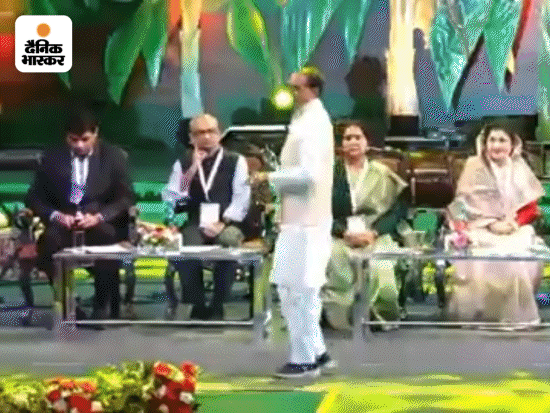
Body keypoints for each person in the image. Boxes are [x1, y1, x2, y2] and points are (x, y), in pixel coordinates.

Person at [253, 66, 336, 379]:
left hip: (307, 221)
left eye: (296, 88)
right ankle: (317, 352)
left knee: (296, 289)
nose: (291, 93)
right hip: (299, 217)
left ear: (312, 89)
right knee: (300, 290)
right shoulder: (305, 119)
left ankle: (303, 359)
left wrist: (268, 178)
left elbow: (308, 175)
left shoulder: (315, 122)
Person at [26, 107, 135, 319]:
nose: (79, 145)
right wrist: (57, 215)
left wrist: (98, 217)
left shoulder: (113, 157)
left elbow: (126, 198)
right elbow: (34, 198)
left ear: (95, 134)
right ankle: (68, 303)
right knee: (49, 243)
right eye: (73, 140)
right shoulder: (52, 157)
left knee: (107, 240)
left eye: (85, 139)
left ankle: (102, 304)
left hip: (99, 221)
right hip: (64, 221)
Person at [447, 122, 545, 330]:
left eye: (502, 140)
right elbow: (460, 205)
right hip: (480, 228)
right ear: (484, 143)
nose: (496, 145)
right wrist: (490, 224)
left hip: (513, 228)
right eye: (492, 140)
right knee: (490, 253)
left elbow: (531, 208)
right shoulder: (473, 166)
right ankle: (485, 315)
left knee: (518, 254)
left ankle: (515, 316)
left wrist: (513, 224)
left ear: (512, 144)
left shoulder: (519, 168)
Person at [162, 114, 251, 321]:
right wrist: (192, 169)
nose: (207, 137)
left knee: (229, 242)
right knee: (186, 246)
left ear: (219, 134)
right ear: (192, 138)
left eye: (211, 131)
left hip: (228, 221)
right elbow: (174, 196)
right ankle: (197, 304)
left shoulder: (235, 161)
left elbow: (242, 198)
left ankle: (219, 304)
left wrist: (223, 222)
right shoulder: (184, 162)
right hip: (196, 221)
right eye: (200, 133)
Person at [323, 121, 409, 331]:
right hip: (339, 235)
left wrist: (374, 232)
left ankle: (380, 318)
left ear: (367, 143)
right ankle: (343, 319)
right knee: (335, 260)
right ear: (340, 144)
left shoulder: (382, 173)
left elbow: (397, 211)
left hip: (375, 234)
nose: (353, 142)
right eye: (347, 138)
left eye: (358, 137)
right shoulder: (328, 174)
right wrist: (343, 232)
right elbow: (319, 212)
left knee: (381, 266)